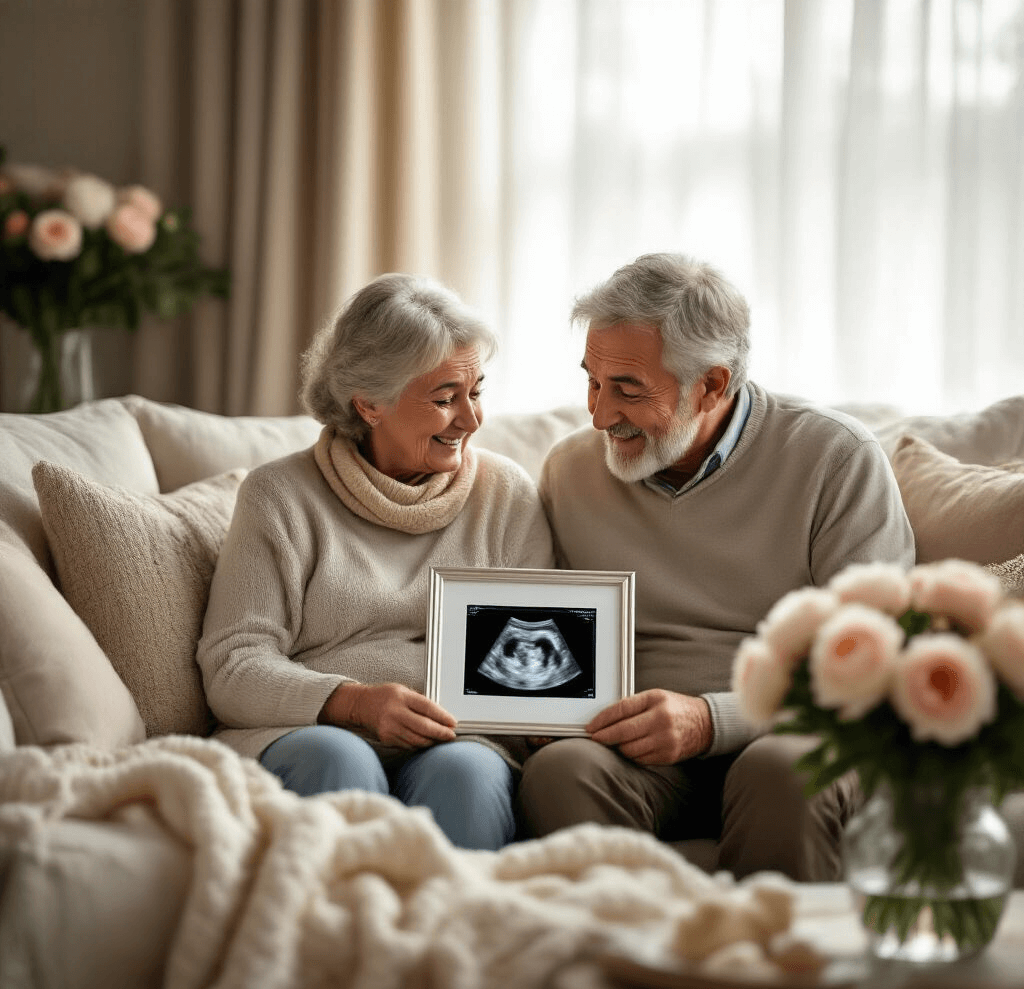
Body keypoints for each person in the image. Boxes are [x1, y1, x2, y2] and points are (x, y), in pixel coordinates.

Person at [517, 252, 916, 880]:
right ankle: (625, 968)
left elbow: (873, 667)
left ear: (712, 384)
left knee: (781, 771)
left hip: (793, 734)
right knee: (561, 771)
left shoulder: (836, 459)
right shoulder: (570, 470)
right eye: (592, 381)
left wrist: (712, 720)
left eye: (628, 389)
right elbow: (556, 637)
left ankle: (772, 973)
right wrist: (541, 710)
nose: (599, 414)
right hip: (641, 749)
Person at [198, 273, 553, 850]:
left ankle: (452, 937)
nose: (471, 419)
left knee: (468, 774)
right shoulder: (279, 495)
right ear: (369, 404)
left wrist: (546, 715)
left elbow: (538, 660)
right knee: (338, 759)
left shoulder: (505, 496)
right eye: (444, 399)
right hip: (306, 732)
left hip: (458, 742)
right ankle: (341, 936)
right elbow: (233, 665)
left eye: (476, 391)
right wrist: (354, 702)